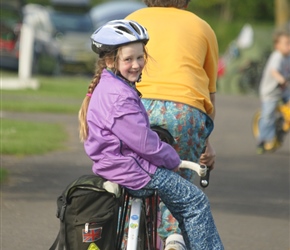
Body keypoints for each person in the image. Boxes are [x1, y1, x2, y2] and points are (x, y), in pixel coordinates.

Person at [78, 19, 224, 249]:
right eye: (128, 59)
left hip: (120, 167)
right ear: (110, 60)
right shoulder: (119, 96)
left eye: (140, 57)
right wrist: (172, 160)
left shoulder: (110, 87)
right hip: (131, 170)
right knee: (195, 202)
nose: (136, 64)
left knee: (181, 201)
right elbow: (145, 144)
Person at [126, 0, 219, 247]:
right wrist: (205, 143)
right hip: (185, 111)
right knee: (179, 182)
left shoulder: (133, 18)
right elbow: (208, 94)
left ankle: (126, 231)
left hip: (137, 104)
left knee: (129, 173)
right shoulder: (202, 27)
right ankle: (174, 237)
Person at [256, 30, 290, 154]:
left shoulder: (288, 57)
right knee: (268, 117)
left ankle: (283, 125)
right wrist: (280, 78)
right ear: (277, 46)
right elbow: (274, 71)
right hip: (270, 93)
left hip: (283, 90)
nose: (289, 46)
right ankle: (262, 141)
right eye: (286, 43)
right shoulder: (277, 56)